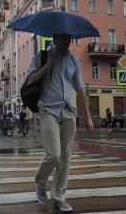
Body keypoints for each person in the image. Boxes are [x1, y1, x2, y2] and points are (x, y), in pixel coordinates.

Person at [26, 34, 94, 212]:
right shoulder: (42, 56)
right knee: (53, 155)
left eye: (69, 38)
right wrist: (48, 66)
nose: (66, 42)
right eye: (63, 38)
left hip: (69, 112)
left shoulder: (73, 61)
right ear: (55, 38)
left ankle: (58, 197)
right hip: (48, 110)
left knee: (65, 158)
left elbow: (80, 89)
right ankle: (40, 181)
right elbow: (30, 80)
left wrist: (87, 116)